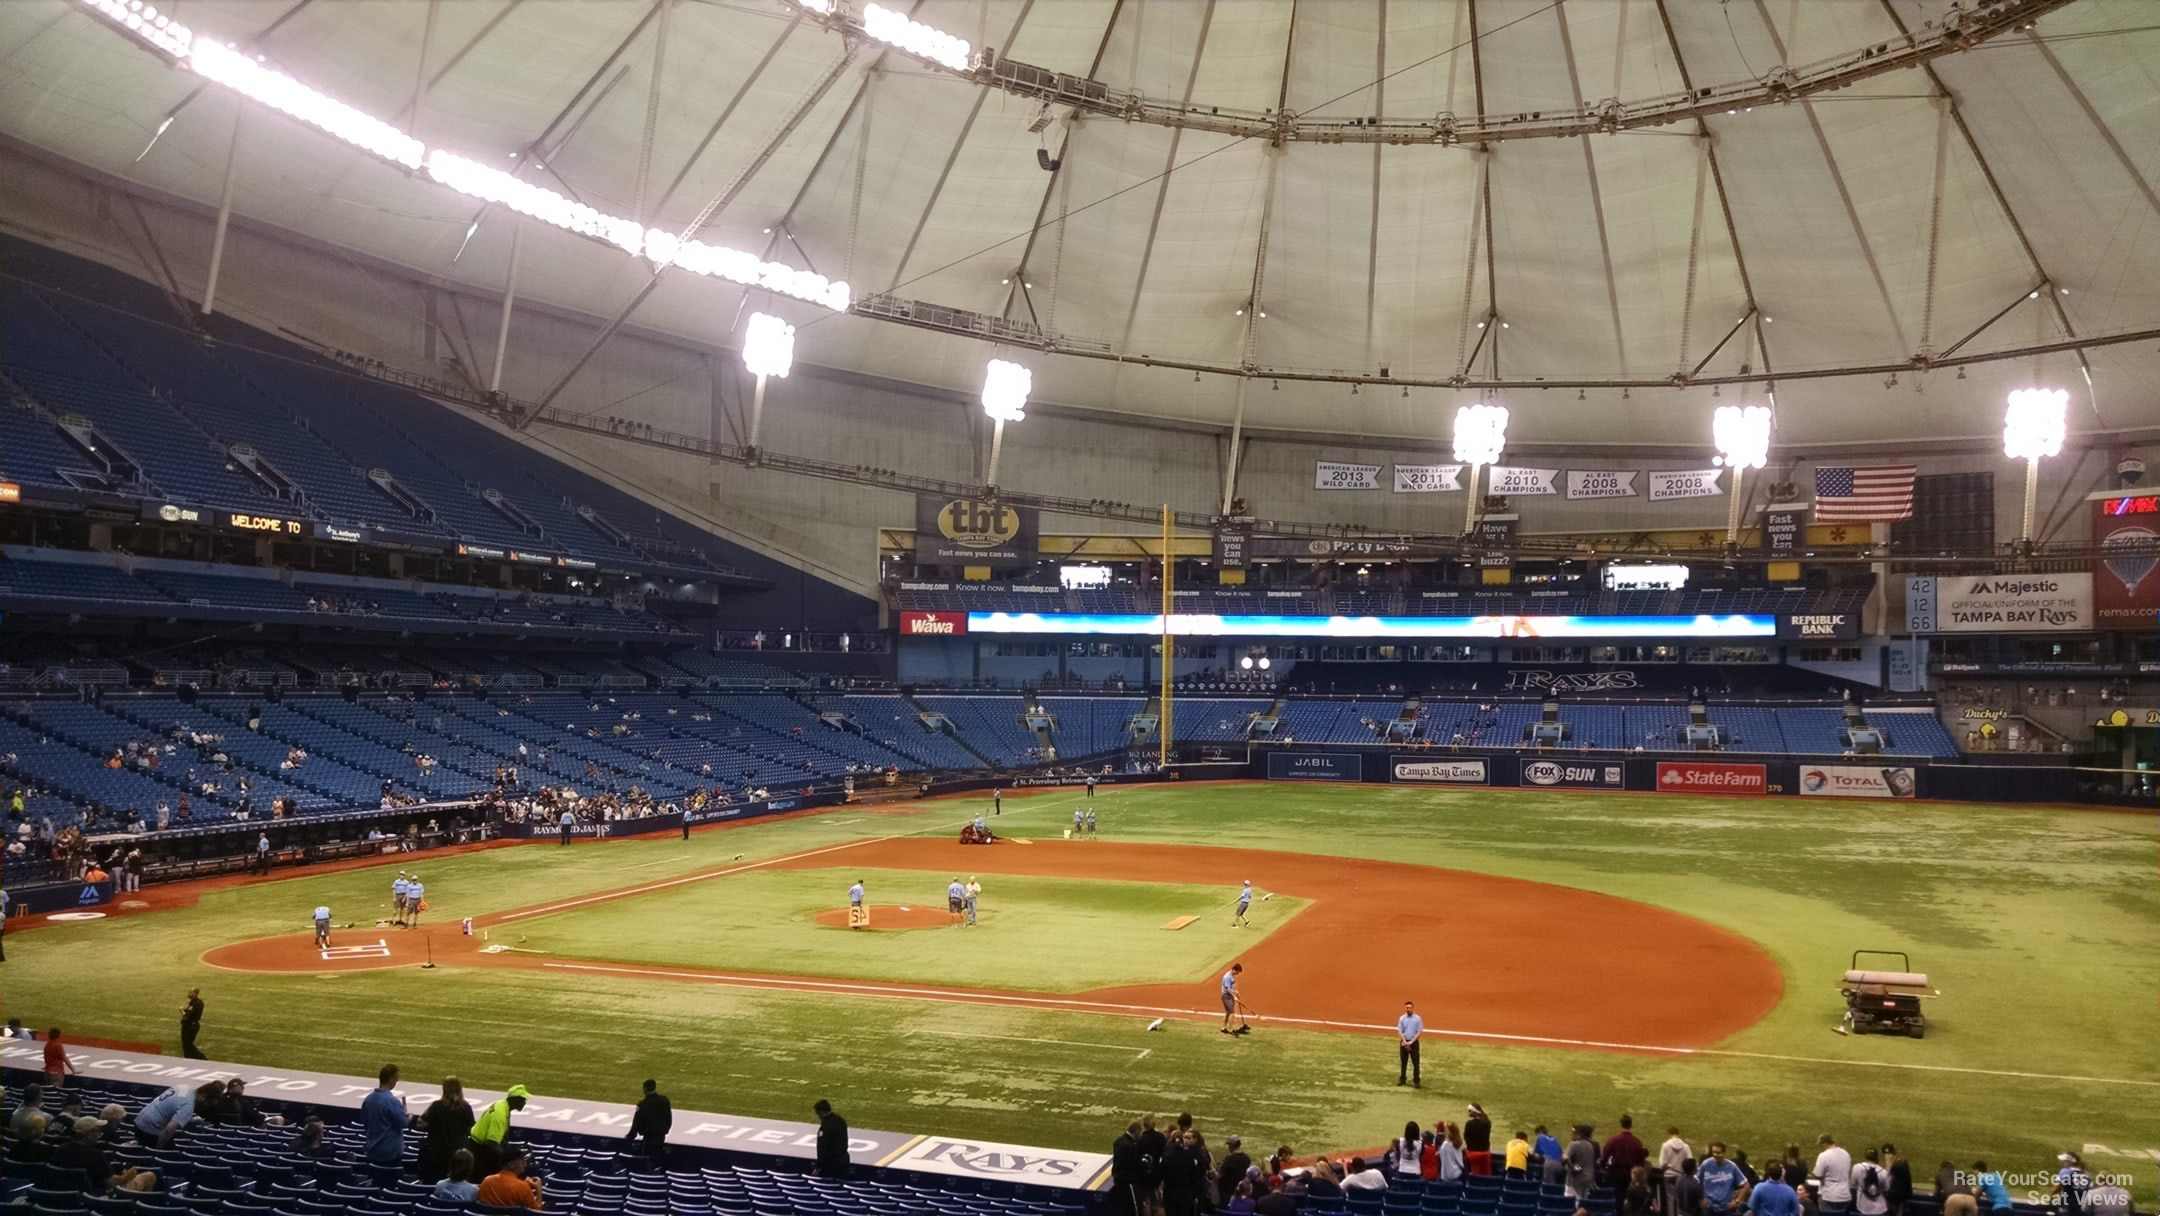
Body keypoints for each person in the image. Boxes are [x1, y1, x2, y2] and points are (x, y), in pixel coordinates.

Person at [416, 1077, 475, 1183]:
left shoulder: (436, 1106)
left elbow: (420, 1123)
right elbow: (471, 1129)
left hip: (437, 1153)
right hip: (457, 1154)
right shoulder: (465, 1107)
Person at [469, 1084, 529, 1173]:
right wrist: (508, 1159)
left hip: (476, 1145)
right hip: (479, 1151)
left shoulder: (502, 1105)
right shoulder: (500, 1114)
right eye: (522, 1100)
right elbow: (492, 1144)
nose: (524, 1103)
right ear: (514, 1100)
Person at [362, 1063, 408, 1174]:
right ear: (391, 1079)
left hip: (372, 1151)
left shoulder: (368, 1100)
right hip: (390, 1154)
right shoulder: (391, 1101)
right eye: (396, 1079)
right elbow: (404, 1122)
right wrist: (407, 1115)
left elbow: (365, 1122)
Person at [476, 1147, 544, 1210]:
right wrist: (539, 1188)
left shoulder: (486, 1181)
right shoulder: (523, 1187)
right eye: (522, 1162)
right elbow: (537, 1211)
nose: (525, 1164)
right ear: (511, 1165)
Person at [132, 1084, 196, 1149]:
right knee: (173, 1155)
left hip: (138, 1123)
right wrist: (158, 1150)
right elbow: (169, 1129)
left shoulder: (182, 1087)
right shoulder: (188, 1106)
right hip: (149, 1132)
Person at [628, 1078, 672, 1165]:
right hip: (661, 1134)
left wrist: (630, 1136)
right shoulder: (664, 1100)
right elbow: (668, 1117)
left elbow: (636, 1122)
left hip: (649, 1136)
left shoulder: (643, 1104)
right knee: (657, 1156)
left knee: (648, 1159)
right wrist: (665, 1129)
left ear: (645, 1089)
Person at [1603, 1115, 1648, 1197]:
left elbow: (1605, 1156)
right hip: (1632, 1175)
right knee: (1630, 1197)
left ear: (1621, 1124)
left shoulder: (1613, 1140)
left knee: (1618, 1198)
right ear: (1631, 1125)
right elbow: (1641, 1161)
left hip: (1617, 1174)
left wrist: (1603, 1167)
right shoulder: (1637, 1142)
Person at [1702, 1143, 1751, 1214]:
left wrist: (1737, 1201)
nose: (1715, 1155)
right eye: (1714, 1152)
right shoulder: (1706, 1164)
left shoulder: (1731, 1166)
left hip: (1725, 1208)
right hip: (1709, 1208)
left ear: (1724, 1153)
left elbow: (1746, 1185)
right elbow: (1697, 1181)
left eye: (1718, 1153)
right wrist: (1701, 1199)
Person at [1113, 1121, 1148, 1216]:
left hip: (1118, 1179)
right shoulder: (1130, 1146)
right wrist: (1145, 1163)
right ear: (1136, 1131)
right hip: (1128, 1182)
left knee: (1123, 1208)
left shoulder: (1119, 1141)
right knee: (1134, 1208)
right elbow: (1136, 1165)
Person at [1816, 1135, 1854, 1214]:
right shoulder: (1846, 1154)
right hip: (1845, 1195)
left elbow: (1818, 1174)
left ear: (1825, 1143)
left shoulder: (1824, 1155)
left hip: (1829, 1196)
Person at [813, 1099, 850, 1179]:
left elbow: (822, 1148)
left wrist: (819, 1165)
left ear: (821, 1112)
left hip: (831, 1163)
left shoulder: (825, 1126)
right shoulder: (840, 1120)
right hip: (844, 1158)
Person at [1662, 1128, 1694, 1213]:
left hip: (1669, 1176)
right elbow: (1691, 1161)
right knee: (1681, 1198)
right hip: (1681, 1176)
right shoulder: (1685, 1146)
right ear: (1678, 1134)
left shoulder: (1665, 1146)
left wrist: (1669, 1166)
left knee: (1670, 1199)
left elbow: (1662, 1164)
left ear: (1669, 1134)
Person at [1854, 1148, 1890, 1216]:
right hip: (1879, 1208)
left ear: (1866, 1157)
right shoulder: (1883, 1172)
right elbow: (1886, 1189)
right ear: (1876, 1157)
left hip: (1863, 1206)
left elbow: (1853, 1183)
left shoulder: (1857, 1167)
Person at [1397, 1000, 1423, 1086]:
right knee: (1403, 1062)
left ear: (1413, 1008)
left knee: (1416, 1062)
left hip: (1414, 1043)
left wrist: (1411, 1042)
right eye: (1407, 1008)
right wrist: (1404, 1042)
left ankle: (1416, 1080)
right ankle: (1402, 1079)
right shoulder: (1402, 1018)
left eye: (1410, 1008)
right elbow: (1400, 1031)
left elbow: (1419, 1032)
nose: (1408, 1009)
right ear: (1405, 1008)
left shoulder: (1418, 1019)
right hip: (1404, 1042)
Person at [1464, 1104, 1494, 1176]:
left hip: (1473, 1153)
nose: (1469, 1113)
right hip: (1485, 1152)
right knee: (1486, 1173)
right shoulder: (1487, 1122)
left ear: (1475, 1112)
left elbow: (1466, 1137)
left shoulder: (1469, 1124)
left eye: (1470, 1111)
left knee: (1475, 1174)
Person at [1883, 1145, 1912, 1216]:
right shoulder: (1902, 1163)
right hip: (1900, 1195)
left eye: (1889, 1154)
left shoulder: (1899, 1166)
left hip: (1897, 1195)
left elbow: (1887, 1178)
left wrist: (1889, 1166)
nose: (1888, 1156)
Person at [178, 989, 205, 1059]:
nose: (189, 993)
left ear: (195, 994)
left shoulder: (194, 1004)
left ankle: (201, 1057)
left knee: (187, 1044)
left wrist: (181, 1010)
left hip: (189, 1026)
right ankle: (190, 1057)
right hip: (194, 1025)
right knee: (188, 1044)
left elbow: (186, 1017)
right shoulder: (199, 1002)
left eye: (191, 992)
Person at [1219, 963, 1245, 1034]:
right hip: (1226, 997)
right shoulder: (1227, 977)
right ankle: (1231, 1030)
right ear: (1234, 970)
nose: (1237, 973)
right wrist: (1234, 996)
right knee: (1232, 1013)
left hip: (1229, 996)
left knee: (1227, 1012)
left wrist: (1235, 991)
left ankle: (1223, 1028)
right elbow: (1227, 988)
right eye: (1237, 972)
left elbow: (1230, 986)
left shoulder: (1231, 975)